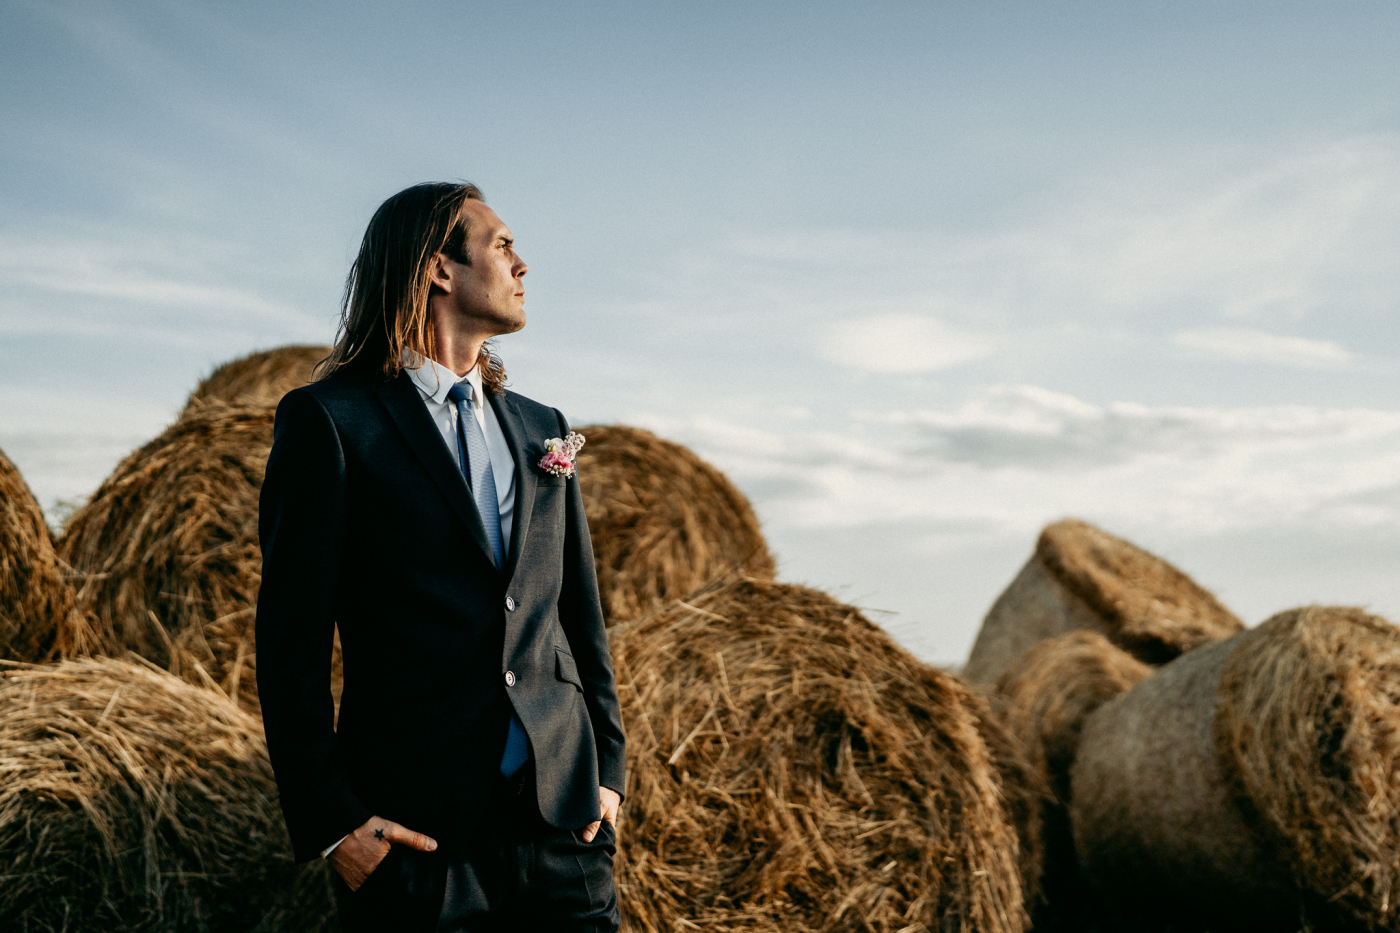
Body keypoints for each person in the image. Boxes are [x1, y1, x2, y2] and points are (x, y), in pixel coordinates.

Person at [255, 182, 625, 931]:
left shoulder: (543, 427)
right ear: (438, 268)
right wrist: (336, 824)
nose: (522, 264)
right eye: (502, 245)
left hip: (564, 827)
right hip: (416, 840)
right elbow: (290, 643)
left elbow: (577, 614)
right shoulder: (332, 421)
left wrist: (606, 772)